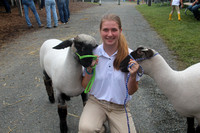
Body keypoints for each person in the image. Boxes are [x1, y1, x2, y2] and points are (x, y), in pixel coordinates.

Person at [78, 14, 140, 133]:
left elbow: (131, 91)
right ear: (100, 31)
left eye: (114, 30)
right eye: (105, 30)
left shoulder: (130, 56)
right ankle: (100, 129)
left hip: (119, 107)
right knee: (86, 129)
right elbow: (85, 86)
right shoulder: (92, 54)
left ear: (120, 31)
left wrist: (133, 76)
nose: (110, 34)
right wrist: (89, 69)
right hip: (96, 102)